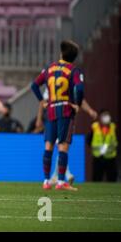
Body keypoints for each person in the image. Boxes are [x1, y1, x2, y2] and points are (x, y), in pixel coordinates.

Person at [31, 40, 84, 191]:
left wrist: (42, 101)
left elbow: (34, 85)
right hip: (66, 111)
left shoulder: (49, 68)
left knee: (48, 146)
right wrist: (77, 104)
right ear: (74, 57)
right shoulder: (73, 70)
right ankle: (61, 182)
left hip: (51, 111)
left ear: (61, 53)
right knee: (63, 146)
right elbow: (79, 89)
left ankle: (46, 181)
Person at [88, 110, 118, 182]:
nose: (106, 118)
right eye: (104, 116)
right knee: (97, 178)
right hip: (98, 157)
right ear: (100, 117)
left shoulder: (113, 127)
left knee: (112, 179)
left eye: (107, 115)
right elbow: (89, 140)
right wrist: (95, 148)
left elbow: (116, 141)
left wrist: (110, 148)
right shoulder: (94, 127)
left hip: (110, 157)